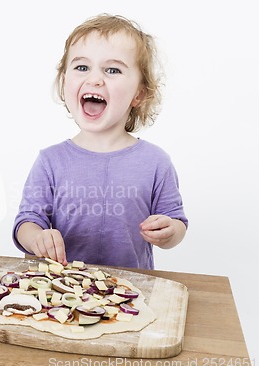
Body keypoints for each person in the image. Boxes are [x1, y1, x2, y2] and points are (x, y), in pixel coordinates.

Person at [12, 14, 188, 269]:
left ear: (138, 94)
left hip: (132, 295)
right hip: (63, 294)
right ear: (64, 82)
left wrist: (169, 232)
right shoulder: (50, 161)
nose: (94, 79)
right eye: (82, 67)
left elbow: (177, 223)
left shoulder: (156, 162)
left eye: (112, 70)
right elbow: (26, 223)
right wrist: (37, 238)